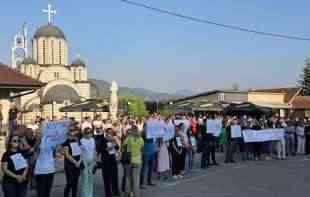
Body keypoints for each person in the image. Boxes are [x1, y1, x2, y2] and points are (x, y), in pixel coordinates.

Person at [98, 128, 120, 197]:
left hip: (113, 160)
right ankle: (108, 193)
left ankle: (115, 191)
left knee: (115, 176)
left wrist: (115, 142)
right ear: (106, 133)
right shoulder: (103, 140)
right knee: (107, 178)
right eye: (108, 132)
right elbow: (99, 149)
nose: (109, 134)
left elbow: (117, 148)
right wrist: (105, 149)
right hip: (105, 160)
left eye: (111, 132)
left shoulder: (113, 139)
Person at [123, 126, 144, 197]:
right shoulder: (141, 139)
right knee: (136, 179)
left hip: (129, 160)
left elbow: (124, 147)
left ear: (131, 131)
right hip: (138, 160)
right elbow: (141, 149)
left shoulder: (128, 139)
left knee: (128, 177)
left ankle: (128, 193)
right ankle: (136, 194)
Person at [34, 130, 56, 197]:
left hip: (50, 169)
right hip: (41, 171)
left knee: (47, 191)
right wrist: (38, 139)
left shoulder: (52, 140)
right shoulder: (39, 140)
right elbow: (35, 151)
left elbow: (56, 151)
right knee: (41, 192)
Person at [62, 127, 82, 197]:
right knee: (69, 183)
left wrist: (79, 161)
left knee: (75, 183)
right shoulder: (65, 142)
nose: (73, 132)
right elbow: (67, 154)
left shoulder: (77, 141)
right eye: (71, 131)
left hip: (78, 164)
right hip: (69, 165)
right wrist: (75, 162)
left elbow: (82, 151)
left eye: (74, 131)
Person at [80, 127, 96, 197]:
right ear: (84, 133)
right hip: (84, 161)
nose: (89, 134)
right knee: (85, 179)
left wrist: (95, 160)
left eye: (90, 132)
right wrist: (81, 162)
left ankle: (90, 194)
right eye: (87, 133)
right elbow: (80, 153)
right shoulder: (81, 141)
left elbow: (94, 150)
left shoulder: (93, 140)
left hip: (91, 161)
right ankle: (84, 195)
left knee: (91, 179)